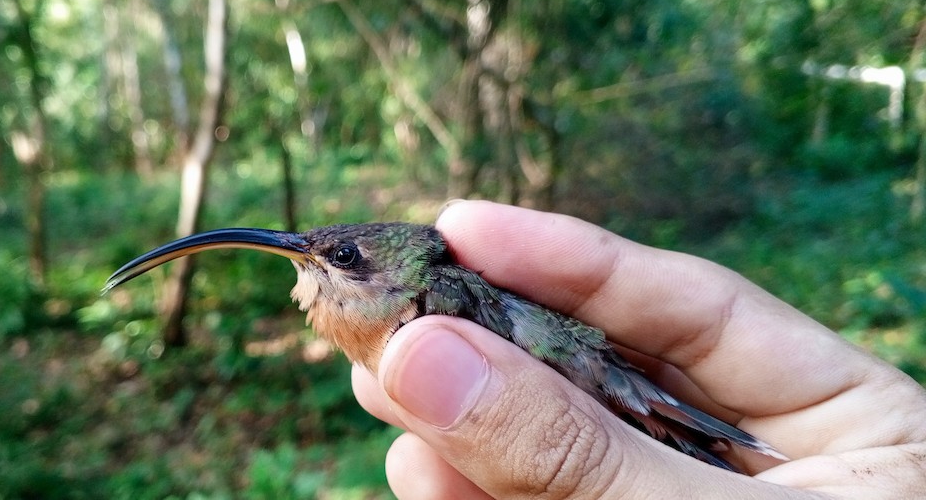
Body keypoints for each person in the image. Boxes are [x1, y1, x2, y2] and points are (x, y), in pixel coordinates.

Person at [351, 200, 926, 499]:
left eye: (347, 258)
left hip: (575, 363)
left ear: (392, 276)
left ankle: (712, 454)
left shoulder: (435, 298)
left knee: (651, 411)